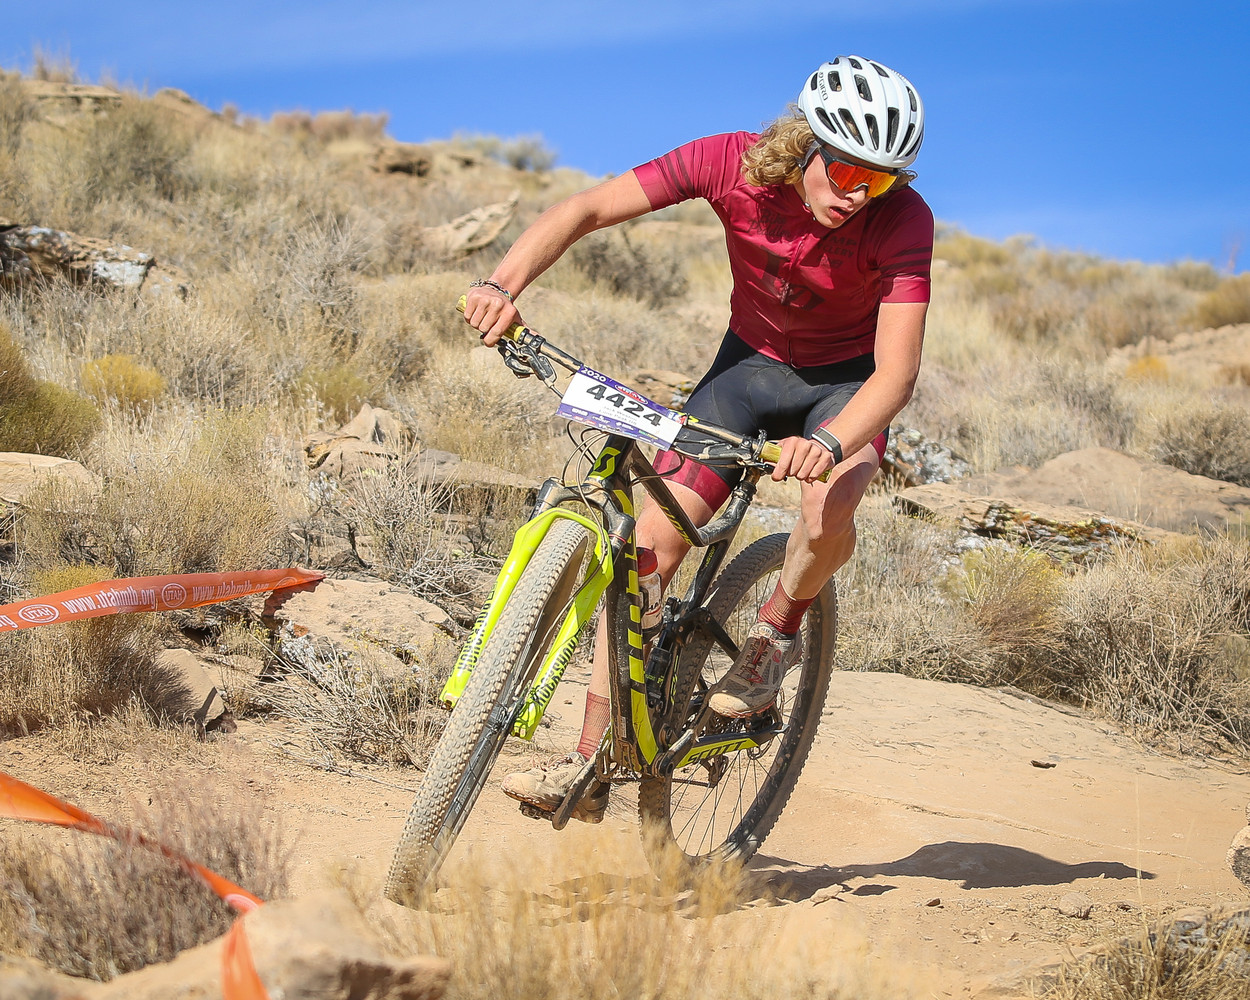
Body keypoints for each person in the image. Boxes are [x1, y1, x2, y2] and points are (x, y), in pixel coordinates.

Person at [461, 55, 932, 820]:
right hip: (745, 373)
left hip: (844, 389)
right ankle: (589, 764)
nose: (857, 194)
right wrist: (500, 285)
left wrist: (831, 443)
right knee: (648, 550)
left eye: (877, 182)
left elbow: (897, 373)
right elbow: (587, 208)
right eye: (847, 171)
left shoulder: (904, 220)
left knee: (828, 504)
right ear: (806, 143)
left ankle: (774, 638)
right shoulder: (729, 162)